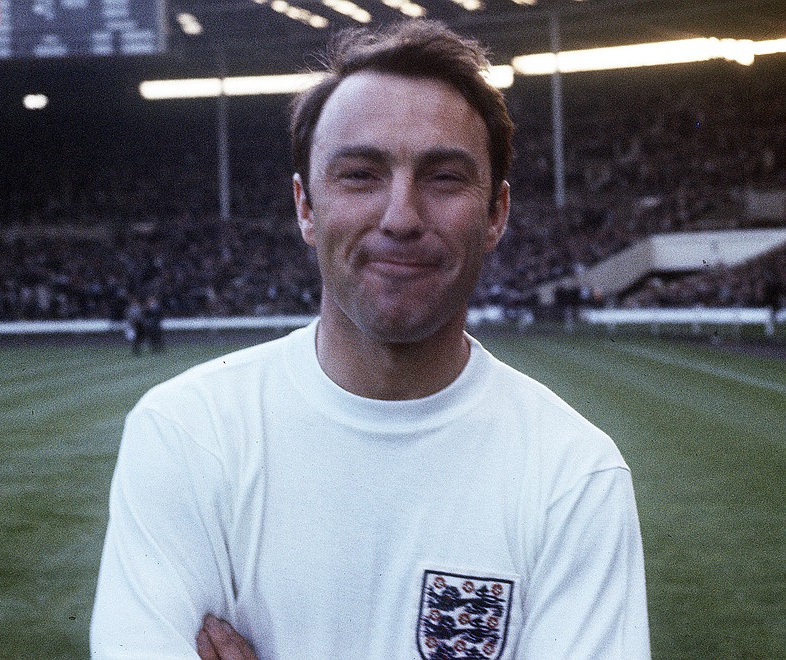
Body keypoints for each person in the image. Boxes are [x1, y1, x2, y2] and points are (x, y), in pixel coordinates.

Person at [91, 20, 650, 659]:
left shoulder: (575, 474)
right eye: (360, 175)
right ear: (306, 207)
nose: (400, 217)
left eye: (443, 177)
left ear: (495, 213)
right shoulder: (185, 434)